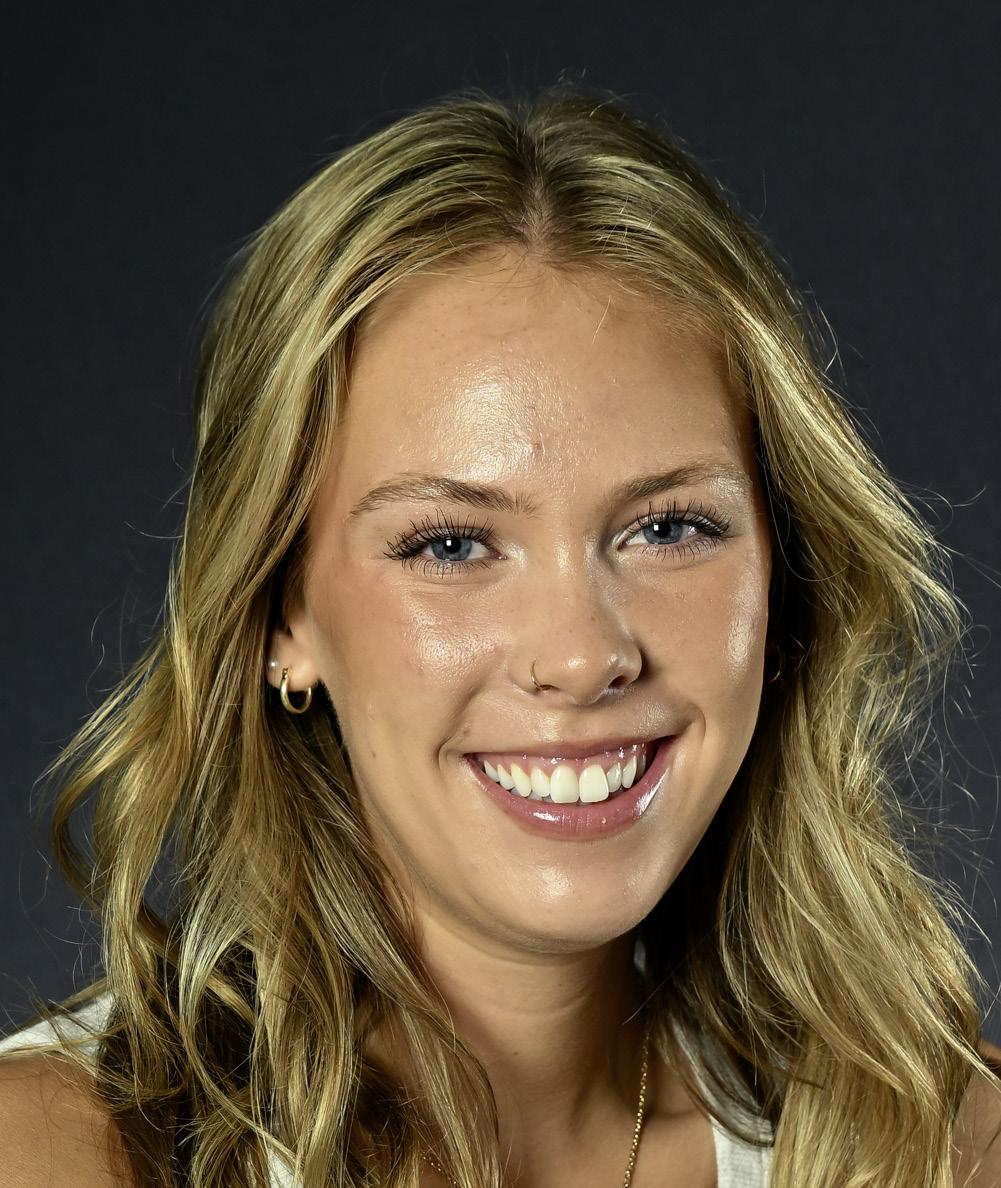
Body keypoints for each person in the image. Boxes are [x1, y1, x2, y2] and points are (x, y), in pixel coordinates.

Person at [0, 82, 999, 1188]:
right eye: (450, 544)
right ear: (281, 612)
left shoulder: (946, 1146)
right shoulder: (56, 1153)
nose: (581, 655)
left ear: (782, 569)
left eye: (669, 527)